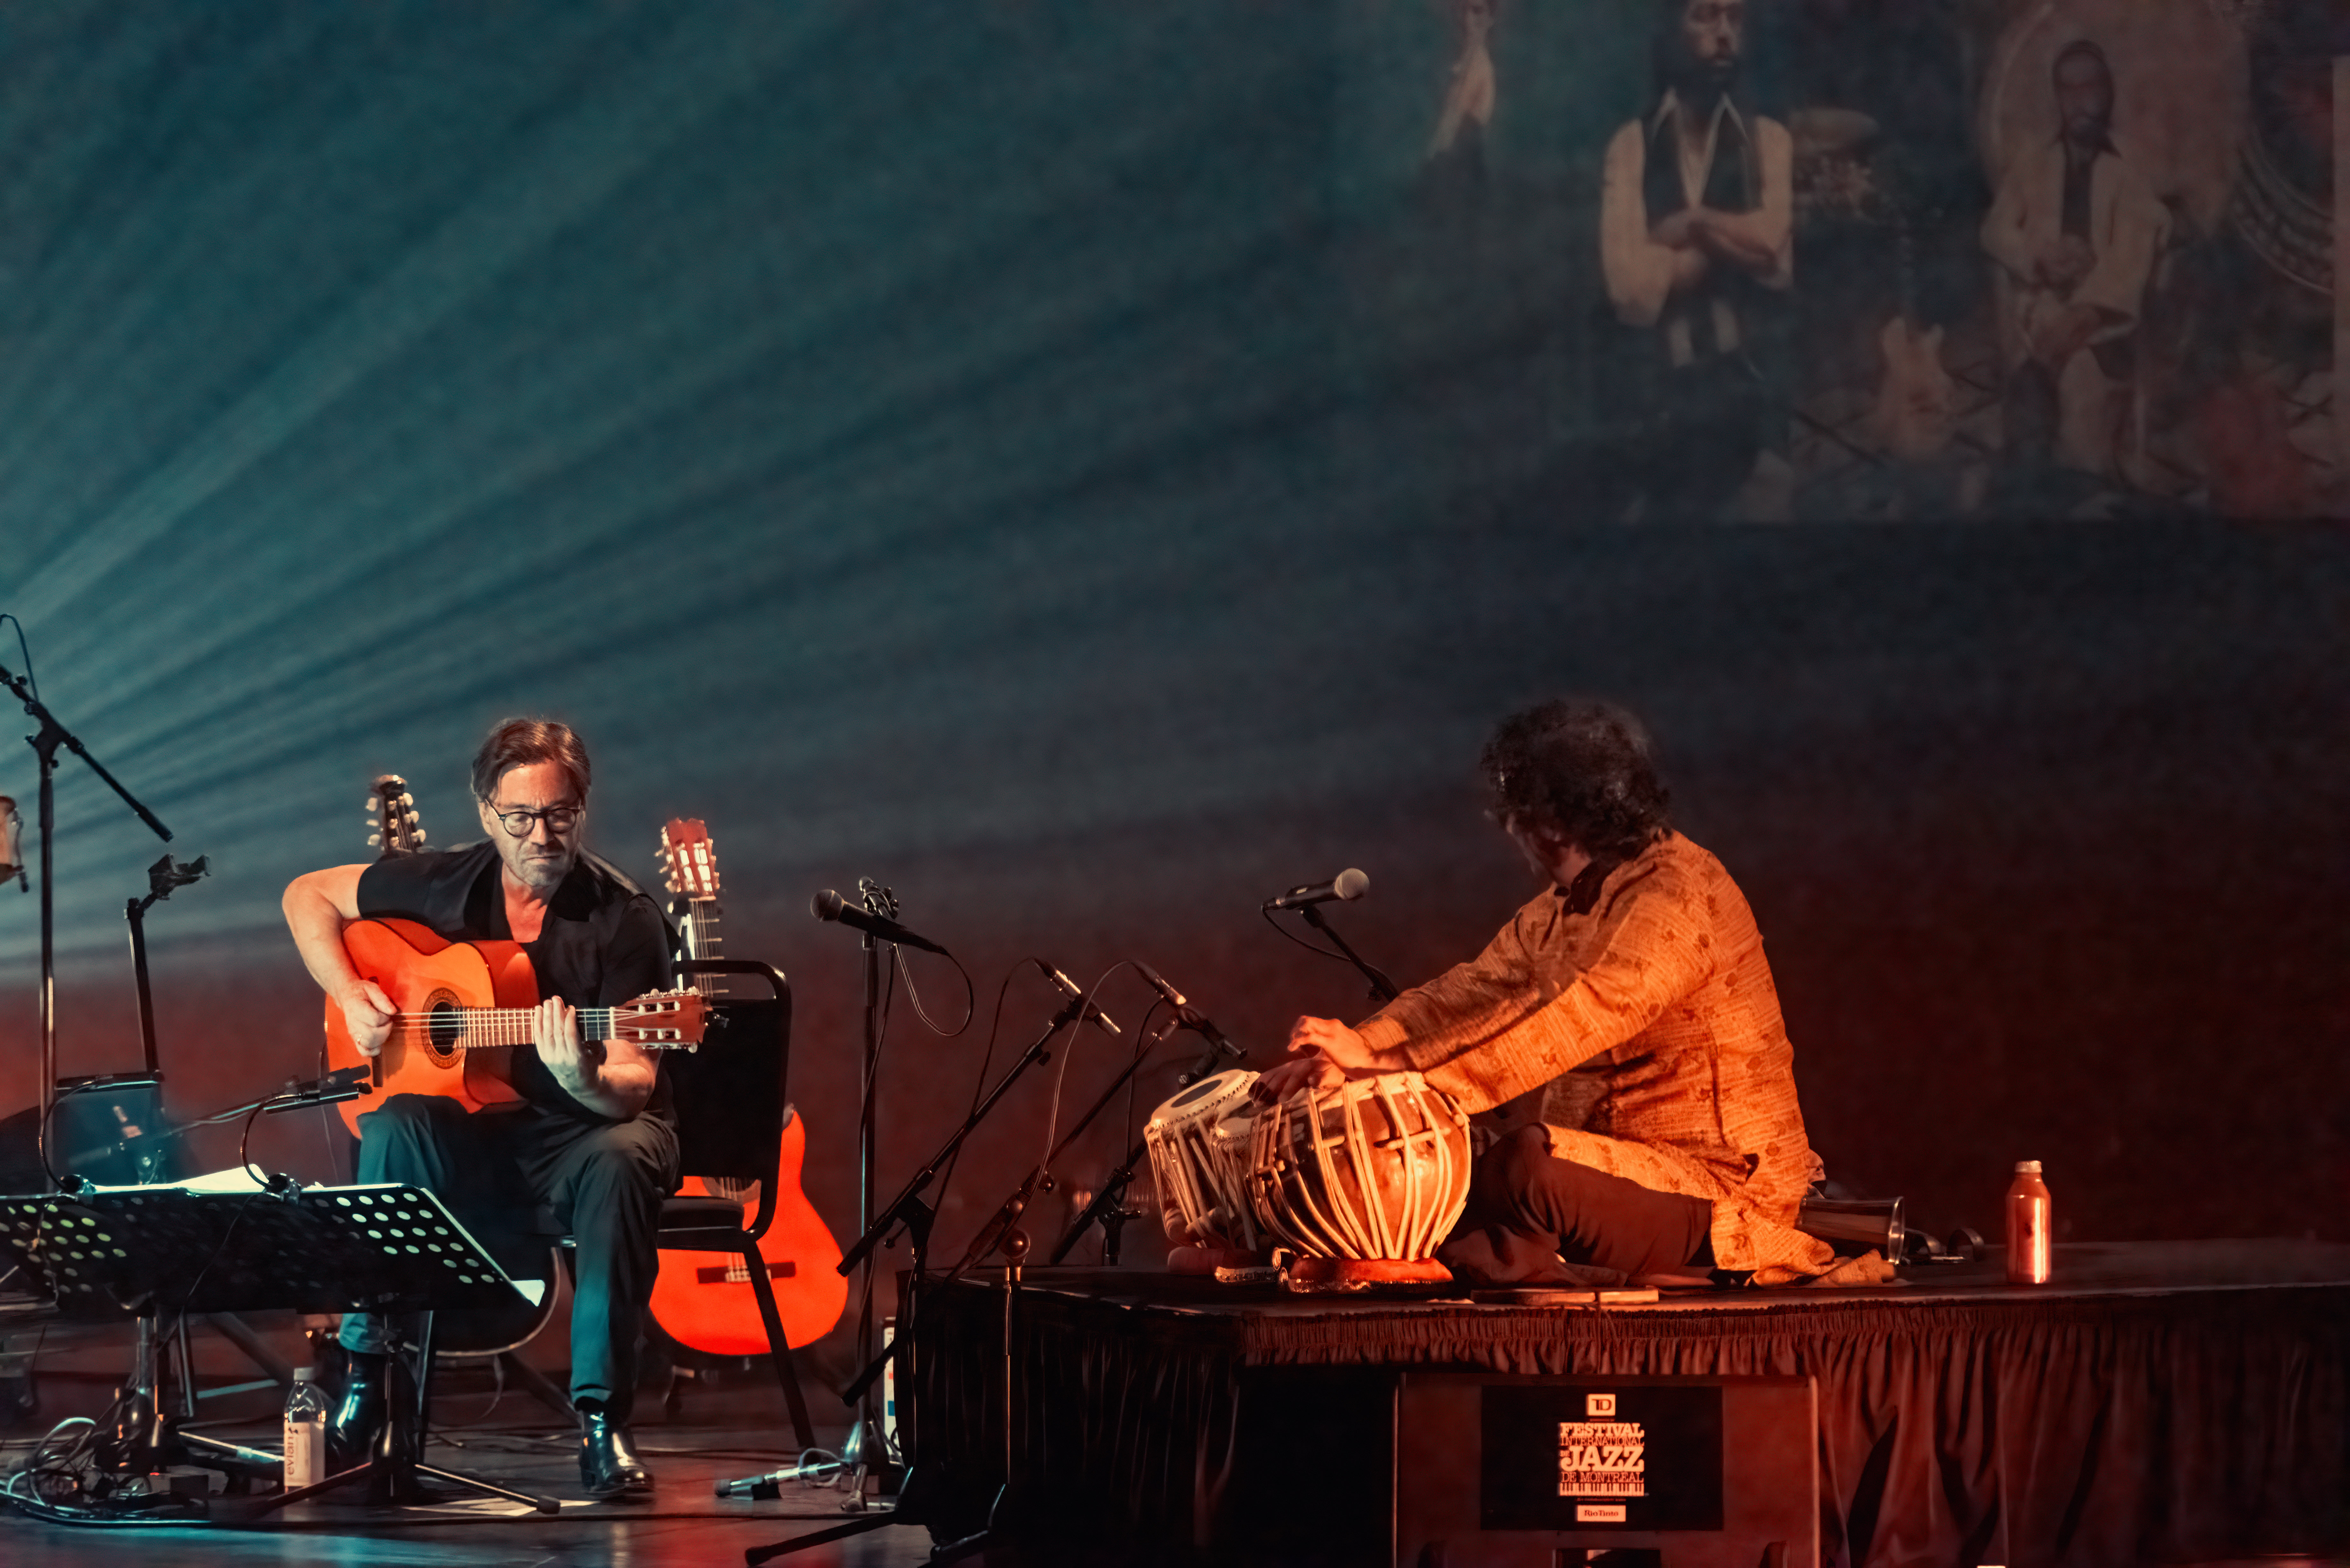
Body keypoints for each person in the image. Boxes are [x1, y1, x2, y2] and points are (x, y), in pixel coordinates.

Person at [1256, 700, 1850, 1286]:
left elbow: (1586, 1015)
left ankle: (1494, 1259)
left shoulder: (1679, 893)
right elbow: (1467, 993)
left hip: (1721, 1191)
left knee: (1523, 1169)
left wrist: (1401, 1081)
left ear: (1542, 821)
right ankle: (1454, 1252)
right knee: (1467, 1155)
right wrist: (1355, 1050)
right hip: (1605, 1172)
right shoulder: (1557, 912)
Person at [282, 719, 676, 1499]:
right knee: (394, 1124)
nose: (542, 835)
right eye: (520, 817)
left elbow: (632, 1082)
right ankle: (365, 1377)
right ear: (486, 810)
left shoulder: (626, 918)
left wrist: (582, 1075)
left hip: (580, 1131)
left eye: (559, 814)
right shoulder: (441, 882)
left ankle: (602, 1423)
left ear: (582, 807)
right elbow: (305, 895)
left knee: (625, 1156)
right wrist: (350, 992)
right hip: (474, 1134)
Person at [1599, 0, 1794, 520]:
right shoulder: (1630, 147)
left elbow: (1775, 257)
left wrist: (1692, 225)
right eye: (1705, 17)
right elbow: (1630, 291)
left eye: (1734, 18)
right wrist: (1732, 246)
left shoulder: (1770, 141)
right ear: (1670, 30)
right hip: (1657, 416)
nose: (1725, 35)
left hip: (1749, 409)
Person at [1981, 40, 2164, 483]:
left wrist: (2088, 293)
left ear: (2109, 91)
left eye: (2090, 86)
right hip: (2044, 304)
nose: (2080, 100)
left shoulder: (2131, 165)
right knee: (2052, 351)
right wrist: (2039, 258)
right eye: (2068, 89)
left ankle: (2064, 463)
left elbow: (2141, 242)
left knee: (2078, 380)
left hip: (2108, 319)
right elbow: (1993, 231)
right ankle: (2040, 465)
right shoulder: (2034, 163)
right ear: (2057, 97)